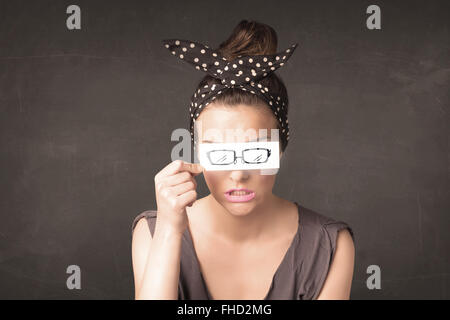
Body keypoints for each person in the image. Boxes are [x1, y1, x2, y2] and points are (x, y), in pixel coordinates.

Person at [131, 20, 355, 300]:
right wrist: (168, 231)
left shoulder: (329, 245)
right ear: (196, 152)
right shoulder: (152, 233)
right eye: (219, 153)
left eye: (256, 151)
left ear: (281, 148)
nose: (238, 173)